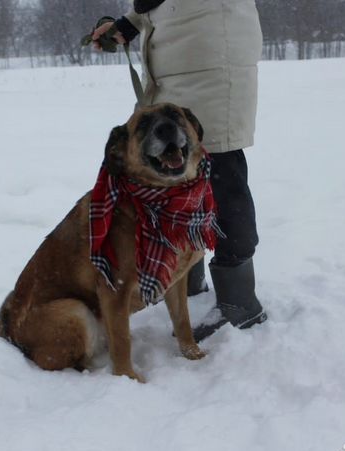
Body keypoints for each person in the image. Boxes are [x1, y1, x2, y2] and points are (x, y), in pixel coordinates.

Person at [92, 0, 267, 341]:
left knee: (221, 176)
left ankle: (240, 301)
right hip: (174, 63)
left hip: (210, 62)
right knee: (172, 179)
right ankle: (185, 278)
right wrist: (129, 24)